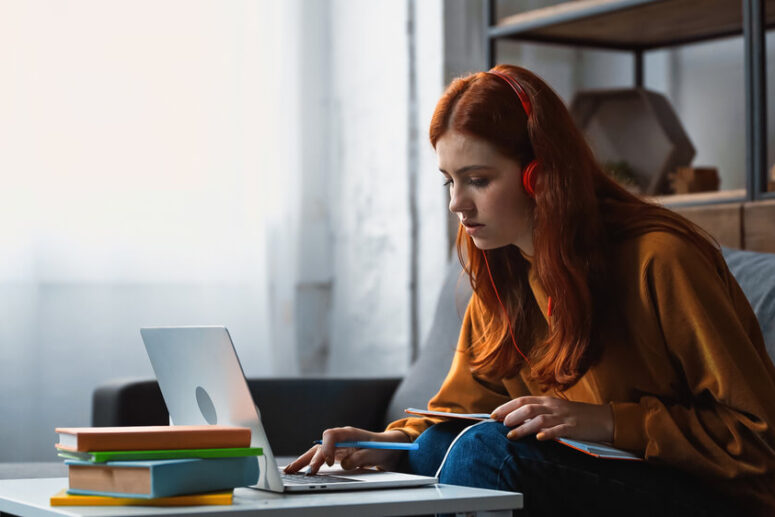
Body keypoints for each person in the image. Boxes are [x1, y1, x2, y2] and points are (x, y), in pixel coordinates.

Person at [285, 65, 775, 516]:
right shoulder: (500, 273)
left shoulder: (661, 258)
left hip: (714, 494)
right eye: (448, 182)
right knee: (435, 447)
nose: (458, 203)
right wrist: (387, 443)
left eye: (477, 179)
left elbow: (757, 441)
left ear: (540, 177)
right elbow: (459, 408)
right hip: (606, 479)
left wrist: (606, 421)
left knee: (484, 454)